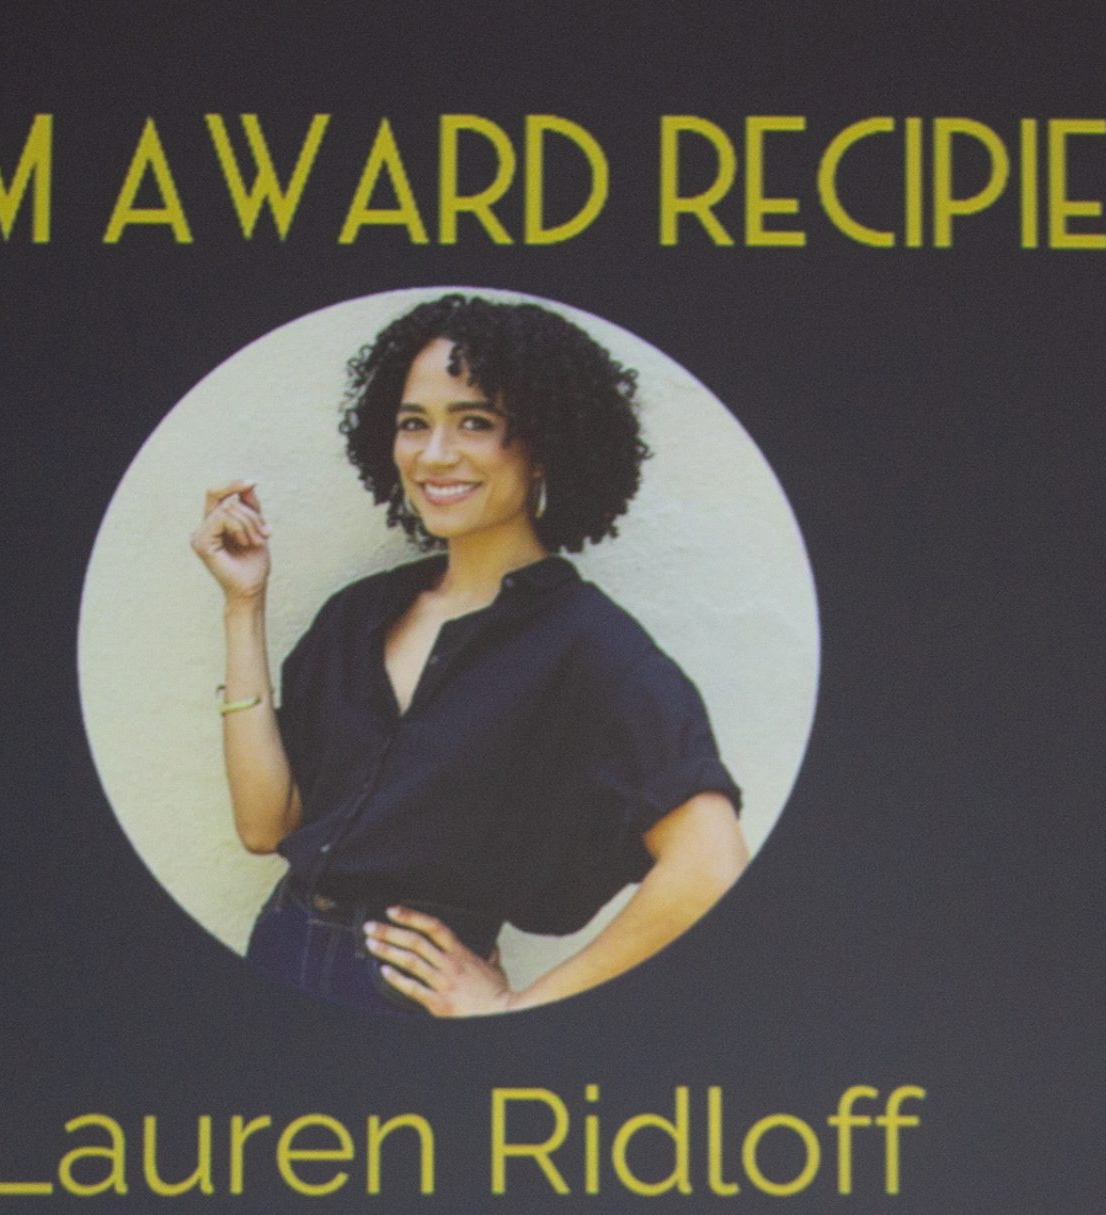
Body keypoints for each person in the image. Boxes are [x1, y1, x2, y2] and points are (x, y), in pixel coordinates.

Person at [191, 293, 749, 1015]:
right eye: (413, 424)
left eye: (475, 423)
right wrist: (244, 605)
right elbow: (266, 826)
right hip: (276, 950)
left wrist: (524, 1009)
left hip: (404, 997)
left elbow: (712, 863)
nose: (433, 454)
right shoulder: (359, 614)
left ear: (546, 443)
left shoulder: (592, 647)